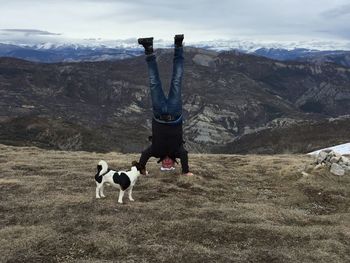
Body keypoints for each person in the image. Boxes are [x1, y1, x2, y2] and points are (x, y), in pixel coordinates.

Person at [138, 34, 193, 176]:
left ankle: (148, 48)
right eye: (170, 165)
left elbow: (144, 154)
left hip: (158, 113)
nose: (167, 163)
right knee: (177, 79)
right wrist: (186, 172)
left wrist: (142, 170)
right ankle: (178, 45)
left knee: (153, 81)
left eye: (165, 165)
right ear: (175, 162)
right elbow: (185, 156)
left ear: (161, 162)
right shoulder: (178, 152)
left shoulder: (156, 152)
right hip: (174, 113)